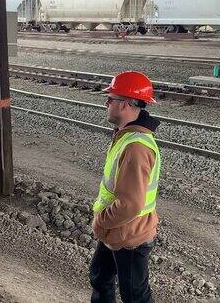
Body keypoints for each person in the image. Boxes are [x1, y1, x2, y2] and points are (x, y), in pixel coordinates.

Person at [90, 71, 161, 303]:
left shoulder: (135, 147)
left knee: (135, 297)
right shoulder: (125, 136)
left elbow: (130, 205)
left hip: (129, 233)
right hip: (117, 230)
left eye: (111, 98)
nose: (106, 103)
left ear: (126, 105)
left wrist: (101, 221)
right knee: (100, 277)